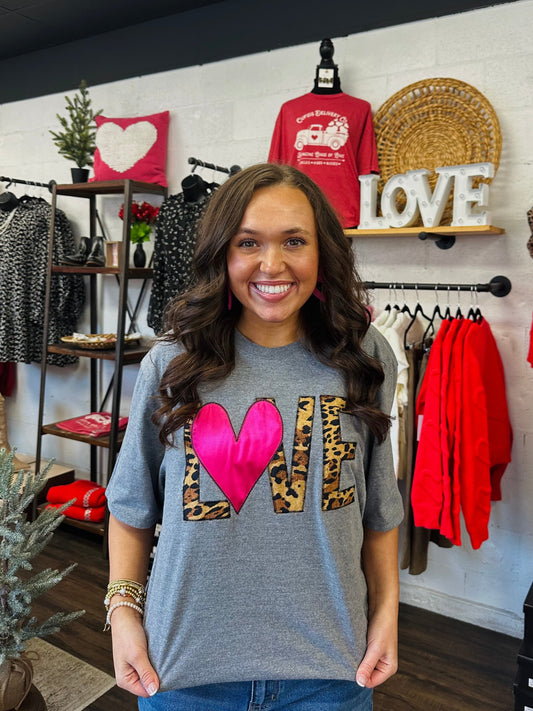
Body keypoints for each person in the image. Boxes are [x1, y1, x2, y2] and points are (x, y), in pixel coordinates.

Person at [105, 162, 403, 710]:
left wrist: (387, 617)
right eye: (249, 242)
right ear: (224, 253)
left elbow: (380, 512)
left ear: (323, 252)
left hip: (331, 675)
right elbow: (130, 508)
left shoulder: (366, 357)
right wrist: (123, 612)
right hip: (183, 674)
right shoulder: (172, 364)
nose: (273, 264)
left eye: (295, 240)